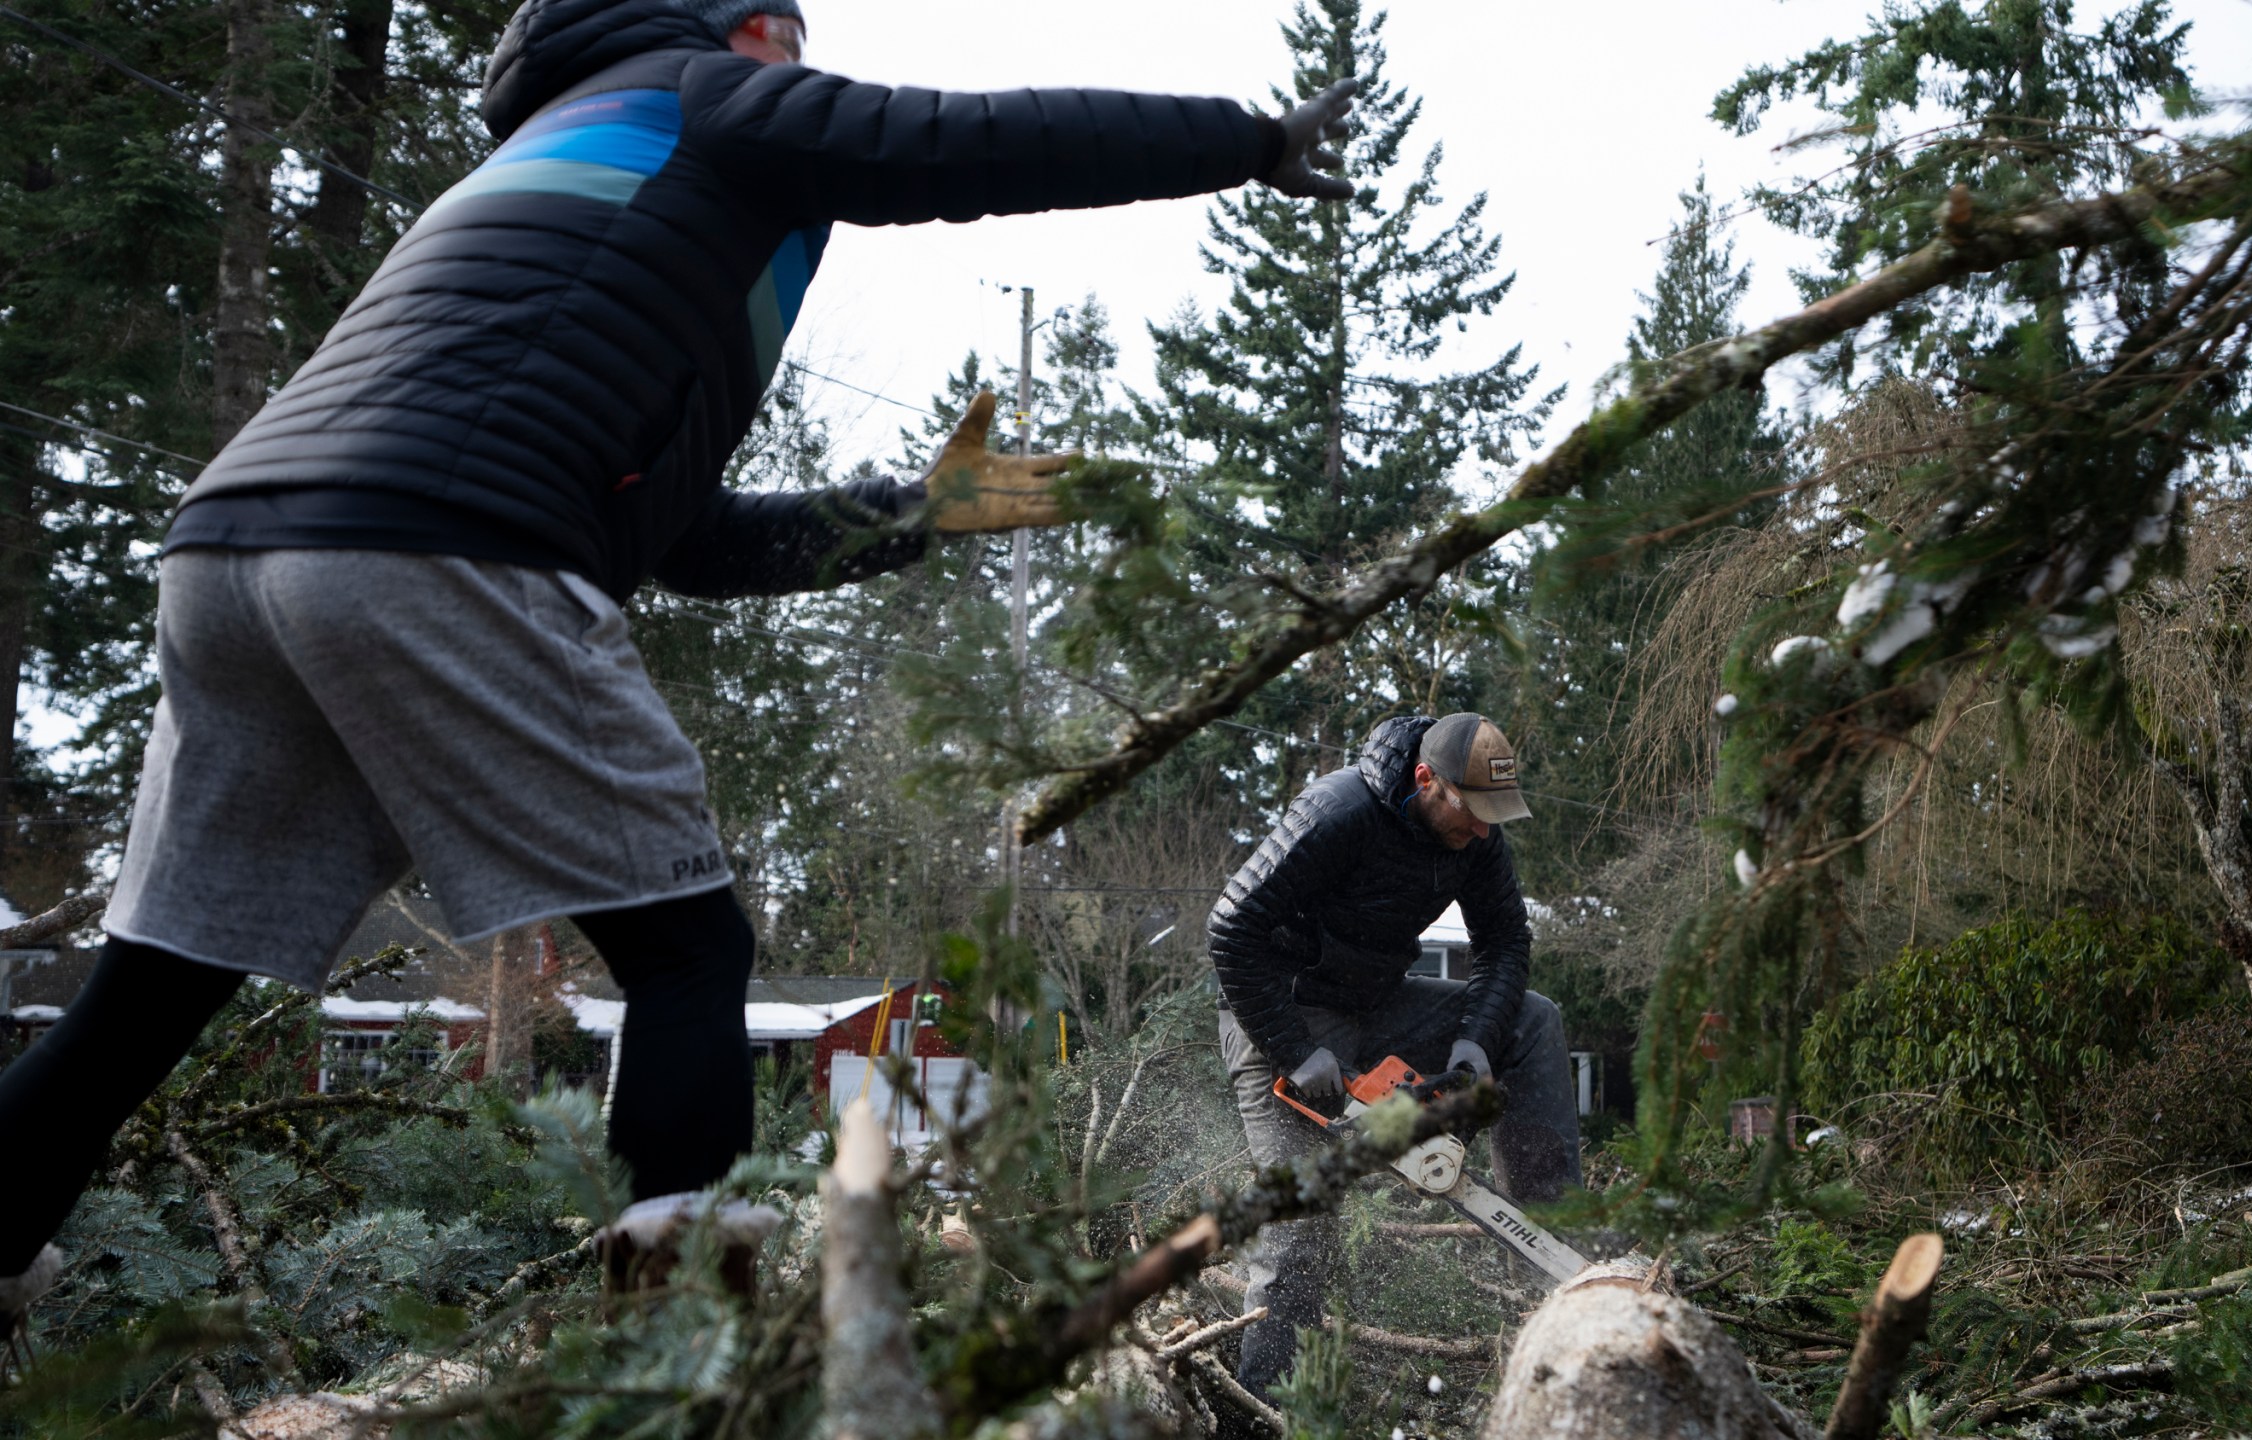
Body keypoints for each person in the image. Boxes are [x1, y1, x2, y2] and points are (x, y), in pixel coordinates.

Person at [0, 0, 1359, 1337]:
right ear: (736, 28)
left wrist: (919, 516)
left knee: (156, 985)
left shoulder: (565, 181)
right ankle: (678, 1353)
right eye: (786, 29)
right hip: (443, 538)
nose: (806, 56)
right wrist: (1239, 142)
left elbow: (688, 537)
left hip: (234, 554)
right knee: (690, 951)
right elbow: (954, 143)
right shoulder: (694, 92)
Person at [1207, 712, 1580, 1396]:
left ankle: (1559, 1258)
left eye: (1494, 816)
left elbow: (1505, 942)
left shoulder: (1478, 836)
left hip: (1375, 1002)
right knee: (1301, 1227)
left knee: (1532, 1021)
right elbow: (1232, 927)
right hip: (1281, 1011)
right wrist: (1293, 1048)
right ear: (1424, 780)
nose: (1482, 831)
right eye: (1471, 811)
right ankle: (1261, 1404)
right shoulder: (1337, 811)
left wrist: (1477, 1035)